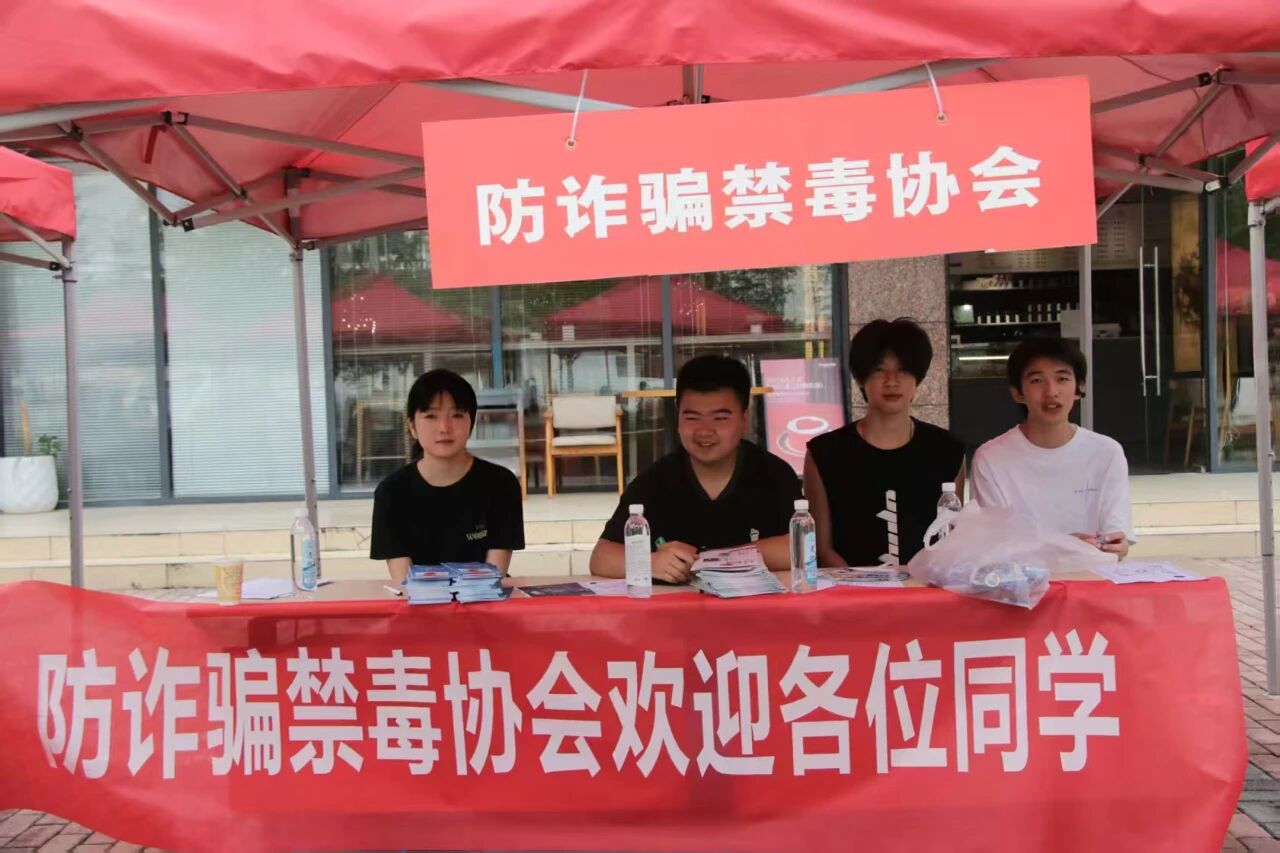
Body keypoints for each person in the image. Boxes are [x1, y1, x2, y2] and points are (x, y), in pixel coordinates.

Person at [589, 355, 801, 582]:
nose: (705, 431)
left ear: (744, 420)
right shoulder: (656, 481)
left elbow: (800, 547)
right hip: (677, 604)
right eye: (692, 418)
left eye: (720, 418)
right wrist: (649, 563)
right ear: (678, 419)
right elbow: (601, 558)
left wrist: (719, 559)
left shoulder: (774, 475)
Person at [804, 318, 965, 567]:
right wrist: (864, 588)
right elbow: (822, 548)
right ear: (860, 379)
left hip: (924, 586)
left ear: (918, 379)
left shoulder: (947, 450)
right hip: (850, 588)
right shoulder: (825, 453)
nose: (892, 381)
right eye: (879, 370)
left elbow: (952, 538)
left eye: (903, 370)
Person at [971, 335, 1133, 559]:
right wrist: (1064, 547)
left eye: (1062, 379)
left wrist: (1117, 546)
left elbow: (1116, 537)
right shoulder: (991, 459)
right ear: (1017, 393)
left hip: (1091, 575)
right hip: (1021, 579)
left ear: (1080, 387)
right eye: (1037, 381)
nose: (1051, 392)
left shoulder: (1107, 453)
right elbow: (994, 546)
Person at [370, 369, 525, 582]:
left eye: (457, 415)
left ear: (471, 422)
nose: (444, 427)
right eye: (431, 416)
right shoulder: (391, 493)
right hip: (418, 601)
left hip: (483, 599)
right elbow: (406, 583)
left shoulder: (501, 485)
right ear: (412, 426)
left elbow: (491, 579)